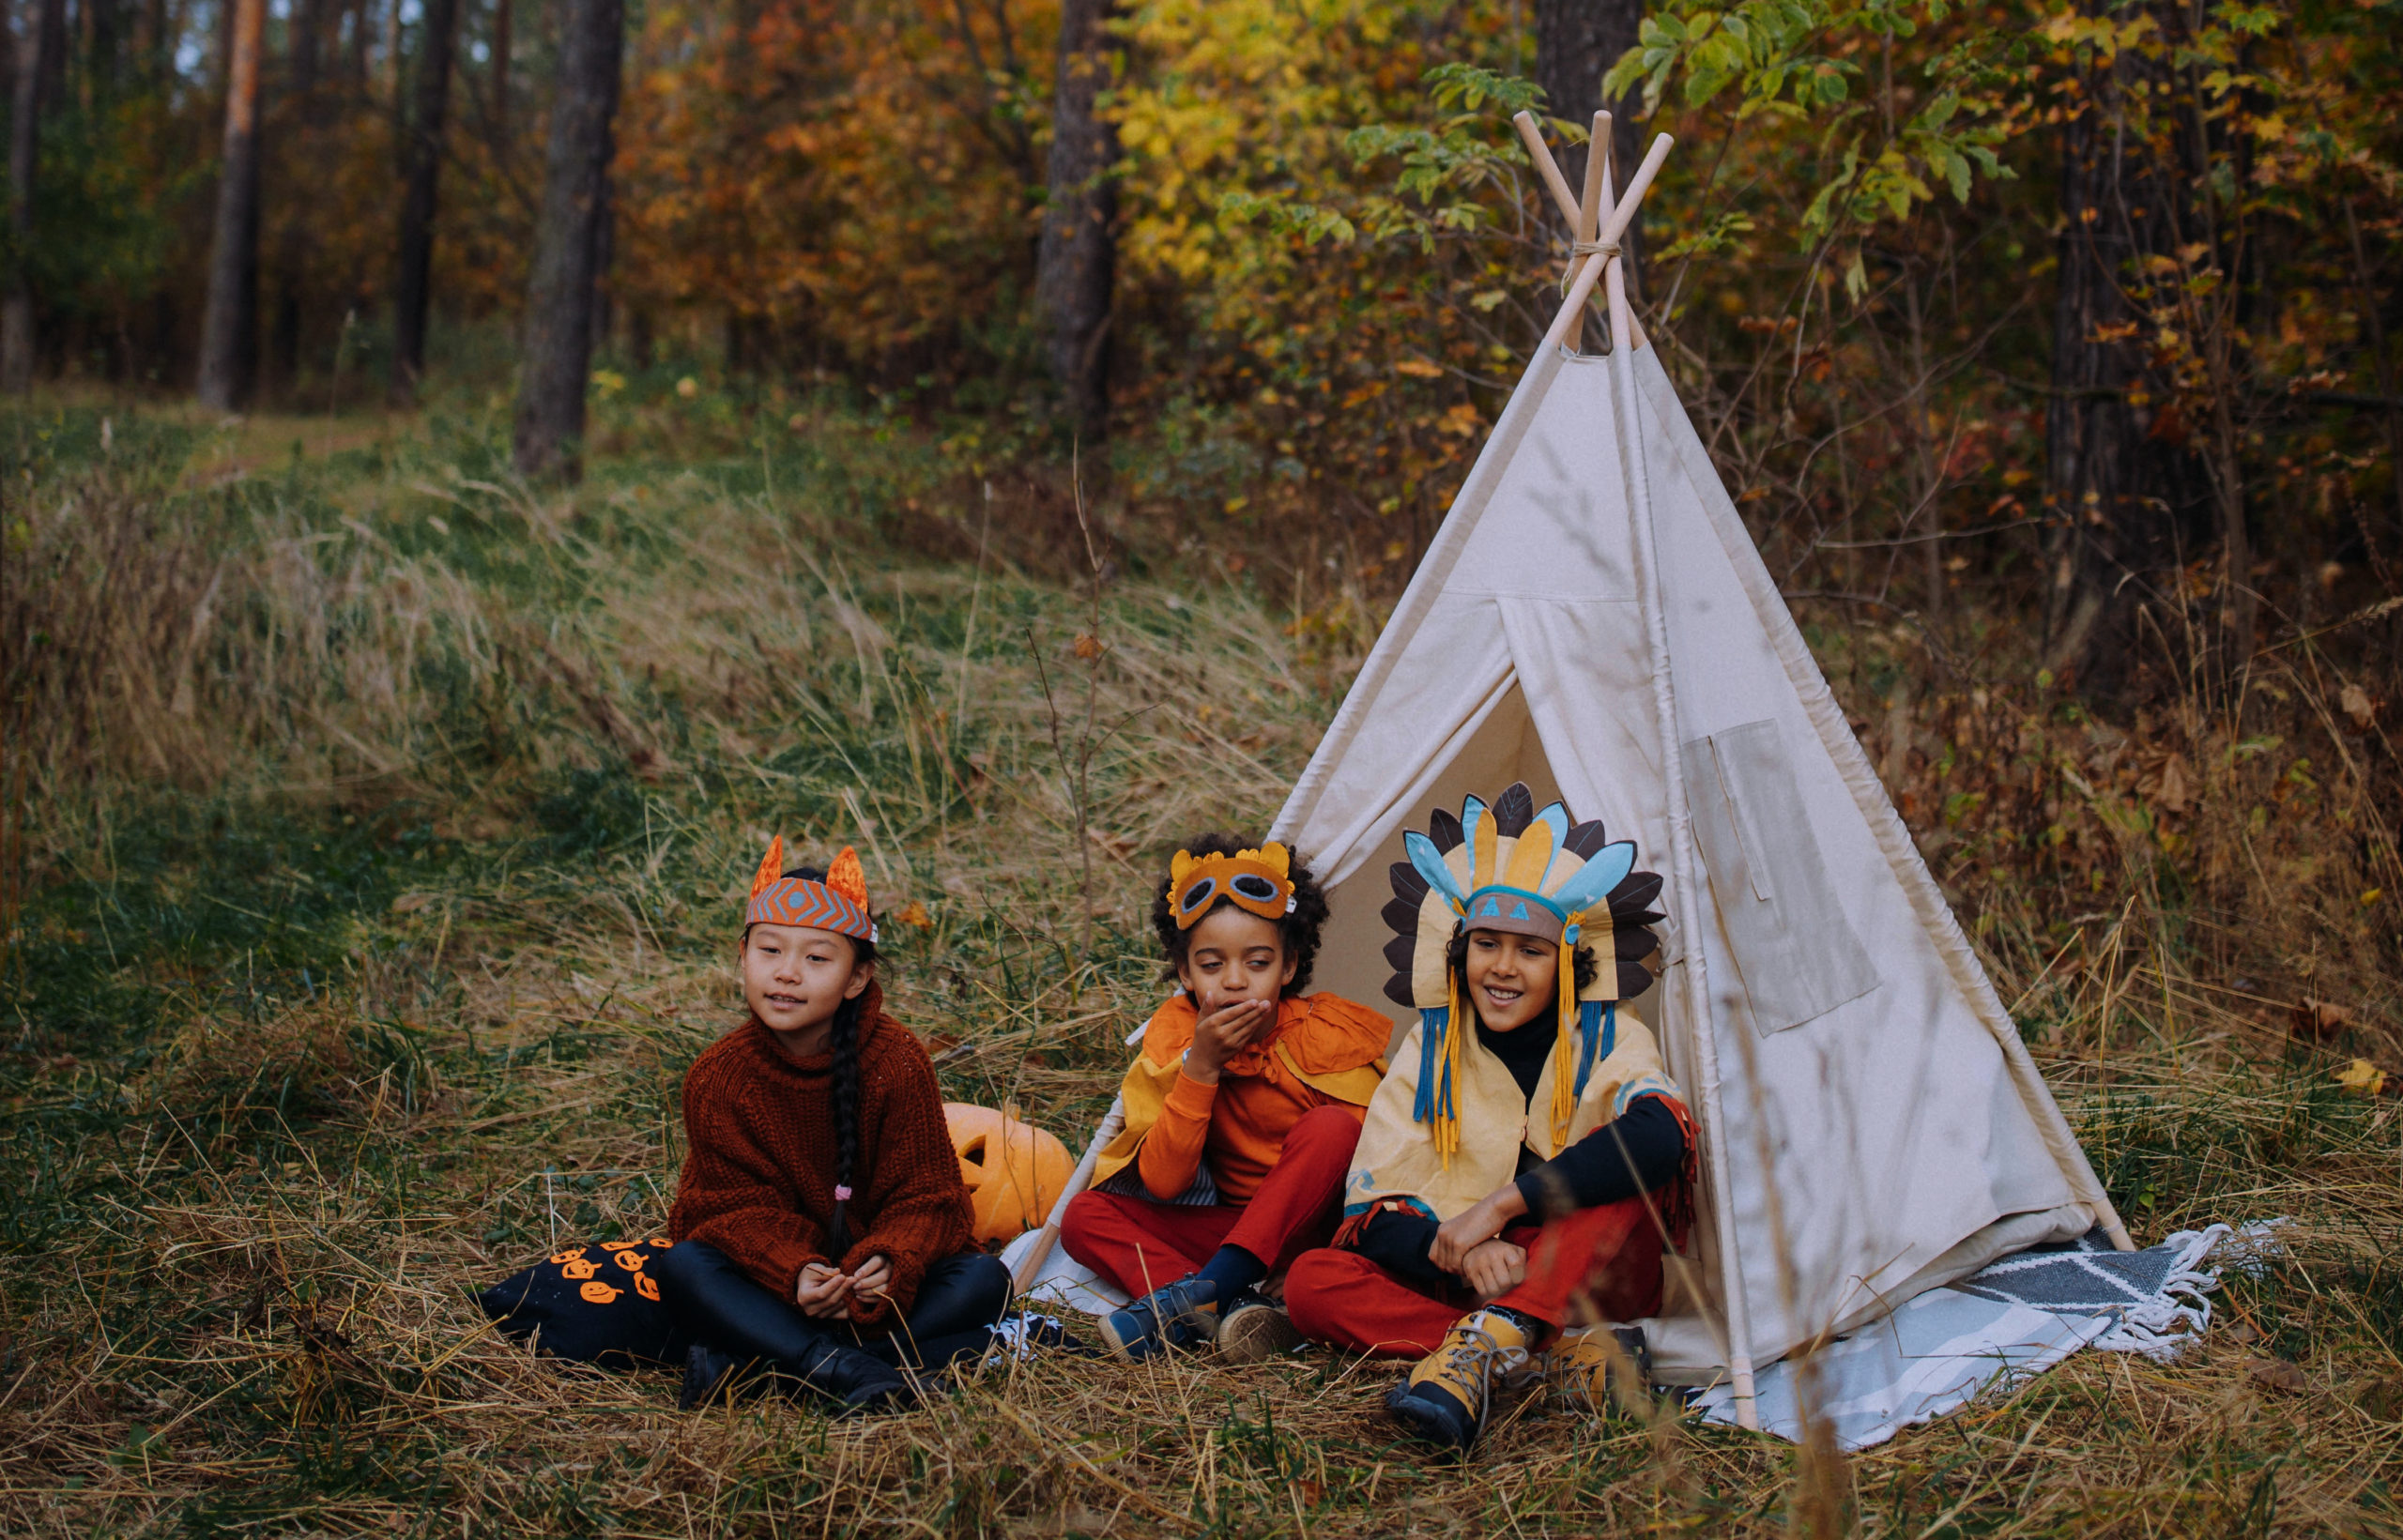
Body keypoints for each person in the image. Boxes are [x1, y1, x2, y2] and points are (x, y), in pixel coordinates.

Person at [1282, 784, 1694, 1452]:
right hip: (1480, 1276)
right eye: (1486, 944)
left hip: (1583, 1270)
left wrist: (1503, 1205)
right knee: (1310, 1282)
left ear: (1567, 960)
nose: (1502, 968)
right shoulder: (1432, 1045)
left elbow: (1662, 1133)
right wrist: (1465, 1253)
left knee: (1620, 1174)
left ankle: (1485, 1347)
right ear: (1458, 949)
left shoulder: (1609, 1032)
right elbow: (1371, 1213)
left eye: (1530, 951)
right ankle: (1540, 1362)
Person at [652, 839, 1008, 1415]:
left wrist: (891, 1260)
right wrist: (795, 1273)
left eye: (817, 958)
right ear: (743, 956)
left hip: (875, 1296)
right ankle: (854, 1367)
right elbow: (728, 1213)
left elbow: (930, 1197)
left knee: (985, 1280)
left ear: (857, 978)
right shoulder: (718, 1078)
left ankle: (769, 1368)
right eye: (770, 950)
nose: (788, 973)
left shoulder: (895, 1061)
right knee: (688, 1268)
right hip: (777, 1288)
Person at [1060, 835, 1390, 1361]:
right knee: (1083, 1216)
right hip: (1237, 1232)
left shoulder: (1320, 1032)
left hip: (1324, 1235)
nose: (1235, 981)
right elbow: (1165, 1184)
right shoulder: (1176, 1039)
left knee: (1331, 1129)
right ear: (1185, 972)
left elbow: (1380, 1162)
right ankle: (1229, 1305)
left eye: (1257, 963)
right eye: (1212, 966)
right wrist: (1203, 1067)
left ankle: (1204, 1296)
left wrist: (1330, 1248)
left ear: (1287, 967)